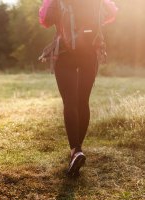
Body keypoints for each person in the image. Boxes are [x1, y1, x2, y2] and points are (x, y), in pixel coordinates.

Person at [39, 0, 118, 177]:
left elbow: (44, 19)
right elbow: (112, 13)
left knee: (70, 103)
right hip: (90, 53)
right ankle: (77, 150)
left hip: (65, 52)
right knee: (83, 102)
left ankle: (76, 151)